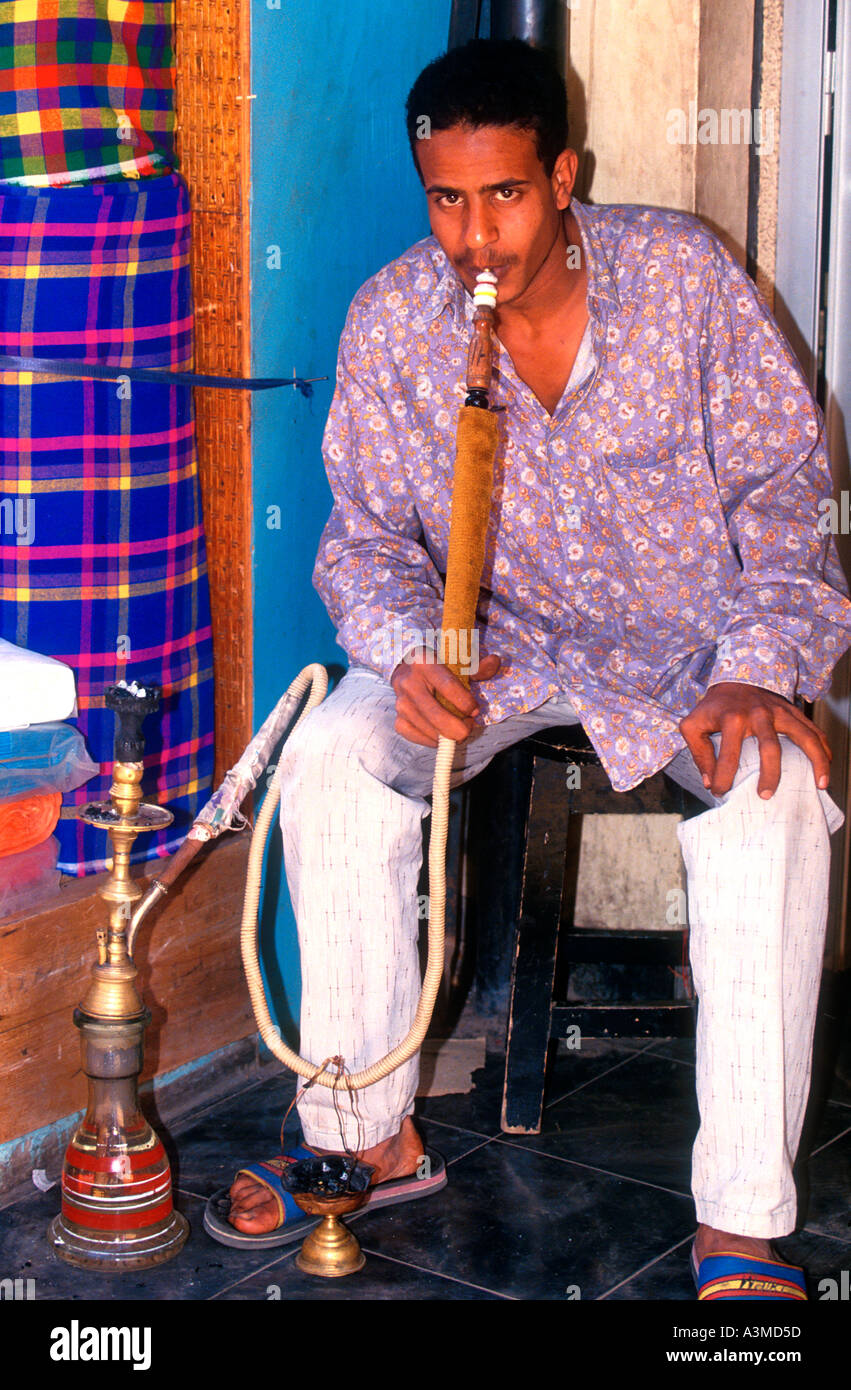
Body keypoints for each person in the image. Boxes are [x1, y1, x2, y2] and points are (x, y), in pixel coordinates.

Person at [211, 39, 851, 1298]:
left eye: (503, 193)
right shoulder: (395, 318)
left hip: (692, 659)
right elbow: (363, 541)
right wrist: (402, 654)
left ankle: (739, 1221)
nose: (474, 237)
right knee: (335, 757)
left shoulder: (682, 278)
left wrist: (759, 669)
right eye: (445, 199)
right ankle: (360, 1134)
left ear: (563, 176)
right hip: (487, 652)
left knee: (773, 803)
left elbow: (788, 502)